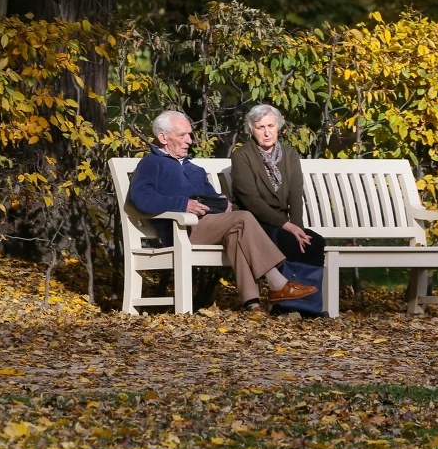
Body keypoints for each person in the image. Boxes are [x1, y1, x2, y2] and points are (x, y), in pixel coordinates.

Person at [128, 110, 318, 311]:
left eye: (190, 135)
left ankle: (252, 304)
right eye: (182, 135)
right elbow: (140, 199)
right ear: (163, 137)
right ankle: (277, 282)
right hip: (181, 229)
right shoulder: (152, 163)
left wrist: (224, 201)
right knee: (244, 217)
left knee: (237, 235)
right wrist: (182, 204)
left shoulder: (194, 169)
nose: (189, 141)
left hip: (208, 224)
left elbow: (211, 195)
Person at [230, 103, 326, 267]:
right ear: (251, 130)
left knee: (314, 242)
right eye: (260, 127)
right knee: (288, 241)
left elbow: (295, 195)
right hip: (255, 224)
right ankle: (287, 290)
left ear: (278, 127)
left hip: (285, 224)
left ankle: (309, 292)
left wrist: (298, 229)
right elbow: (251, 201)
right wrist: (287, 226)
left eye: (270, 126)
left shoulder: (290, 154)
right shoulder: (242, 156)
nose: (267, 133)